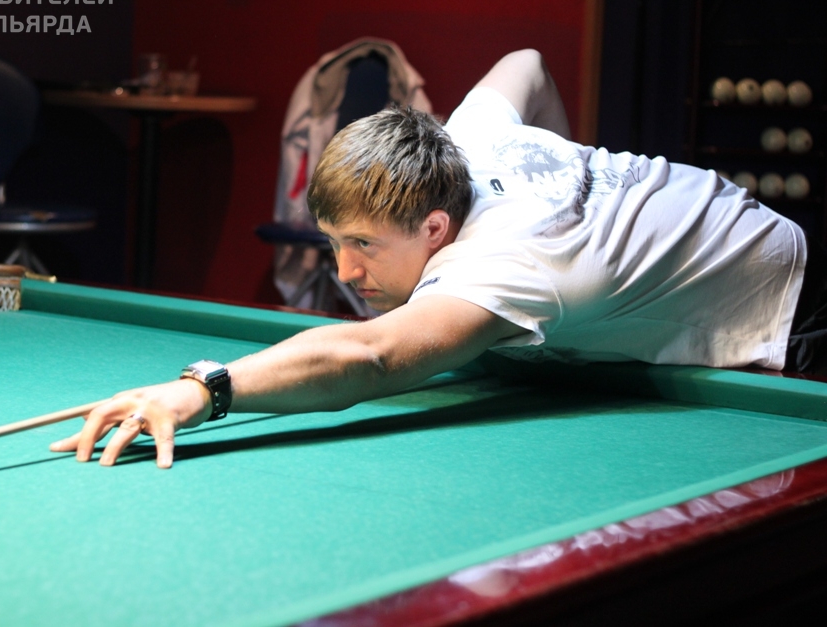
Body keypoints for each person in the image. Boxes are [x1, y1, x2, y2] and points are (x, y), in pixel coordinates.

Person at [51, 49, 822, 469]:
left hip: (798, 302)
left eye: (364, 246)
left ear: (436, 226)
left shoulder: (504, 263)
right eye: (335, 241)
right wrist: (571, 170)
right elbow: (527, 63)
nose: (345, 273)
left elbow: (374, 355)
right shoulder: (463, 139)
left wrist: (202, 388)